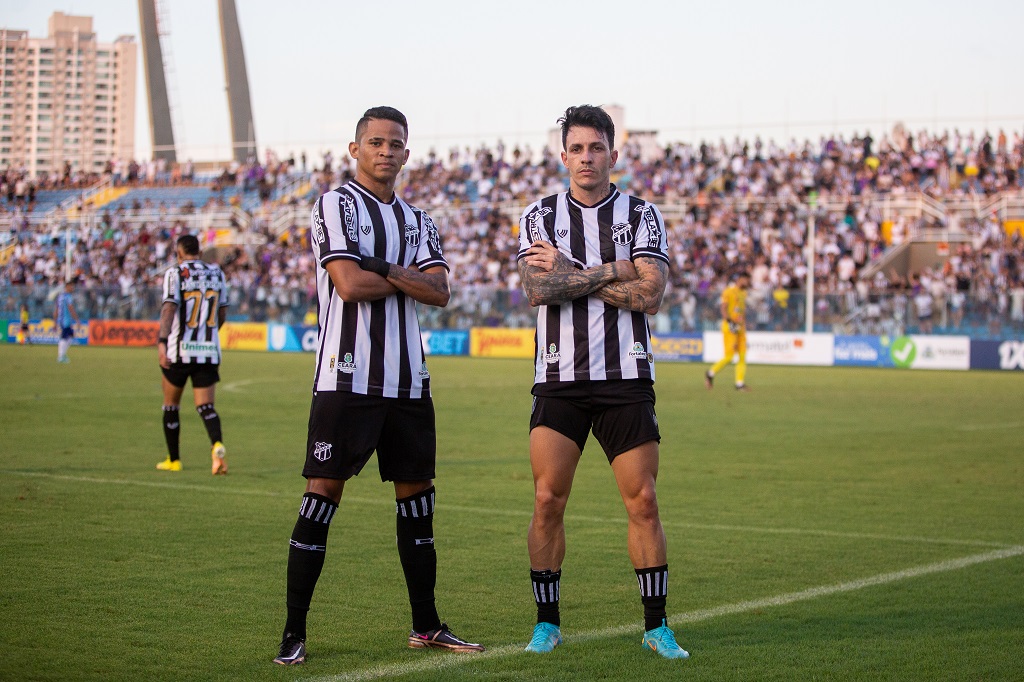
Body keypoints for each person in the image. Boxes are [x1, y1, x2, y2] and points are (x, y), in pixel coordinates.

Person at [273, 106, 483, 666]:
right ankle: (293, 632)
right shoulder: (335, 205)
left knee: (418, 502)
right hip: (346, 379)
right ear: (355, 149)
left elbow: (440, 293)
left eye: (395, 144)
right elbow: (348, 283)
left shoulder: (419, 220)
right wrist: (406, 277)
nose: (386, 151)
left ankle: (426, 625)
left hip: (409, 383)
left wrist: (384, 268)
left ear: (407, 154)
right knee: (323, 494)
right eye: (376, 142)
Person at [516, 105, 688, 660]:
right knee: (547, 499)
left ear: (613, 153)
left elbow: (651, 295)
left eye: (596, 148)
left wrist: (570, 270)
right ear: (563, 155)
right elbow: (538, 291)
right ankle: (547, 624)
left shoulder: (641, 214)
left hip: (625, 377)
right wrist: (615, 268)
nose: (586, 158)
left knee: (643, 501)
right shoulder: (539, 216)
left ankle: (657, 627)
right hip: (558, 378)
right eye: (577, 148)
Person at [156, 234, 230, 474]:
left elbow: (169, 308)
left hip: (180, 351)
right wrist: (208, 334)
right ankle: (217, 447)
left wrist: (162, 342)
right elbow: (221, 314)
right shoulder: (217, 273)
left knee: (171, 406)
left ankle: (174, 460)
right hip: (208, 352)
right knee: (206, 407)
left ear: (179, 252)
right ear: (199, 251)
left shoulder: (175, 273)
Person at [705, 271, 752, 391]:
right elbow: (723, 308)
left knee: (742, 355)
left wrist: (743, 324)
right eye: (746, 280)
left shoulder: (743, 293)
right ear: (740, 279)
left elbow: (741, 311)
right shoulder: (728, 291)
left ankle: (739, 384)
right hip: (730, 327)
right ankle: (710, 373)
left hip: (741, 328)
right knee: (729, 356)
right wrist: (730, 322)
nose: (748, 282)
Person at [54, 279, 80, 363]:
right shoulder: (68, 296)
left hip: (61, 320)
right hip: (66, 320)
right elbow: (71, 308)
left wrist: (55, 322)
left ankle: (63, 355)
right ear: (67, 287)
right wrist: (77, 320)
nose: (73, 288)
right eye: (71, 286)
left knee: (70, 336)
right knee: (64, 337)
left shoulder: (60, 296)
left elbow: (56, 310)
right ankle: (61, 356)